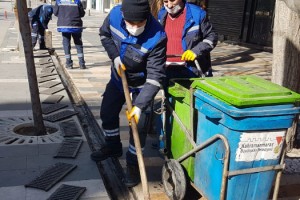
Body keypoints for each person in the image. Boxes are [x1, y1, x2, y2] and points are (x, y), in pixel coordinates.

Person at [90, 0, 167, 187]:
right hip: (119, 78)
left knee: (138, 127)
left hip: (142, 85)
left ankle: (133, 165)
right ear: (123, 16)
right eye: (130, 23)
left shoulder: (157, 36)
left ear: (146, 18)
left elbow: (155, 76)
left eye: (139, 24)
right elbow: (104, 35)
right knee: (107, 112)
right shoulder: (115, 15)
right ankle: (113, 146)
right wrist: (115, 57)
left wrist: (139, 106)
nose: (134, 28)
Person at [158, 0, 218, 80]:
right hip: (166, 69)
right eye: (166, 1)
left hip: (191, 70)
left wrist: (196, 51)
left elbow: (211, 37)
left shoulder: (197, 14)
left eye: (172, 0)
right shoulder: (161, 14)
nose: (169, 5)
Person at [53, 0, 86, 69]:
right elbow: (82, 14)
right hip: (76, 25)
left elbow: (55, 13)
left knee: (66, 44)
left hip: (64, 26)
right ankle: (82, 63)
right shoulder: (77, 1)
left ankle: (69, 64)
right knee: (78, 44)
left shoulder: (59, 1)